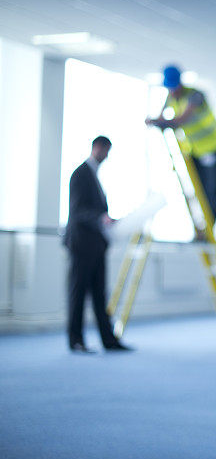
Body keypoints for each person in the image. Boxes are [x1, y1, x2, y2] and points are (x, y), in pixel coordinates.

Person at [64, 136, 132, 353]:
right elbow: (77, 211)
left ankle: (108, 340)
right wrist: (100, 218)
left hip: (96, 246)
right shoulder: (80, 174)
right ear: (97, 147)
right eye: (106, 150)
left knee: (100, 295)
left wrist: (106, 220)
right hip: (81, 246)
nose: (107, 156)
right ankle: (76, 340)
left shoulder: (94, 176)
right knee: (78, 294)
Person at [146, 65, 216, 225]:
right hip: (195, 150)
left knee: (210, 189)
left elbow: (181, 120)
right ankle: (200, 225)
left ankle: (210, 225)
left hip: (212, 148)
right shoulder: (171, 97)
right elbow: (163, 116)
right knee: (198, 190)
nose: (172, 91)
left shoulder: (195, 95)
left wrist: (161, 122)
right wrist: (157, 120)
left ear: (180, 83)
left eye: (174, 87)